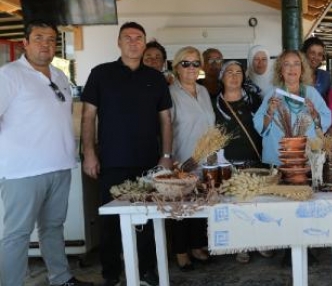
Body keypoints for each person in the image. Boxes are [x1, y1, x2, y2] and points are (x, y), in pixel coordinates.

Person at [0, 21, 93, 286]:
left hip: (59, 166)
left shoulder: (59, 75)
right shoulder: (9, 75)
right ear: (25, 43)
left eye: (51, 39)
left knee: (53, 228)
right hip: (22, 171)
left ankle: (61, 279)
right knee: (17, 235)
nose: (46, 44)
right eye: (39, 38)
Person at [81, 21, 173, 286]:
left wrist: (166, 155)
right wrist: (89, 153)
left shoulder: (155, 78)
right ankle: (111, 274)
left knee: (147, 221)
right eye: (128, 37)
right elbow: (88, 117)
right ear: (119, 42)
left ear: (144, 43)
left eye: (138, 38)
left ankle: (147, 271)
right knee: (109, 224)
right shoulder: (100, 74)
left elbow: (166, 120)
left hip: (148, 163)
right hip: (112, 161)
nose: (133, 42)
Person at [215, 60, 273, 263]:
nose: (233, 75)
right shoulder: (216, 104)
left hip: (255, 158)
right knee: (236, 205)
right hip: (229, 162)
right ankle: (242, 244)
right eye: (228, 72)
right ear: (221, 77)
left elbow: (266, 126)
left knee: (260, 203)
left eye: (238, 72)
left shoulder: (255, 100)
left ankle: (263, 242)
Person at [168, 46, 213, 271]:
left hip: (204, 160)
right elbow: (164, 128)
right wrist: (171, 161)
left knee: (199, 205)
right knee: (180, 208)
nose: (191, 68)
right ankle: (181, 251)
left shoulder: (203, 92)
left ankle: (197, 246)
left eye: (196, 63)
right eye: (186, 63)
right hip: (182, 159)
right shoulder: (170, 93)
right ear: (176, 67)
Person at [253, 50, 332, 166]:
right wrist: (270, 111)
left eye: (296, 63)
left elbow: (324, 122)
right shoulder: (273, 94)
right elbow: (261, 127)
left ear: (302, 69)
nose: (292, 68)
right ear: (281, 70)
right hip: (278, 159)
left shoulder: (311, 93)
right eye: (287, 64)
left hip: (306, 159)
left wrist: (314, 113)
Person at [302, 36, 331, 101]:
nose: (316, 57)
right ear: (304, 53)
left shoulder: (325, 76)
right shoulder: (295, 74)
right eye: (312, 53)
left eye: (320, 54)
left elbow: (328, 101)